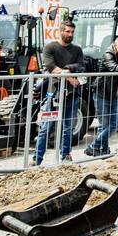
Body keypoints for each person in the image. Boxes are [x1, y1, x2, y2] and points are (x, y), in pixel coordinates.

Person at [32, 21, 84, 165]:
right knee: (47, 126)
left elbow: (81, 66)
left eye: (72, 32)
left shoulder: (77, 50)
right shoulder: (50, 47)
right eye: (67, 31)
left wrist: (68, 68)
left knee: (68, 126)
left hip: (72, 93)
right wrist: (69, 76)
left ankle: (65, 155)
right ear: (60, 31)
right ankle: (37, 158)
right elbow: (50, 67)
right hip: (54, 92)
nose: (70, 34)